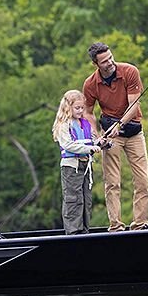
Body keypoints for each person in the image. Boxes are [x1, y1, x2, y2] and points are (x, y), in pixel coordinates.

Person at [83, 42, 148, 231]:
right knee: (112, 182)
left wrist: (119, 124)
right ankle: (116, 225)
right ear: (96, 64)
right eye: (104, 61)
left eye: (111, 57)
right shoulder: (90, 84)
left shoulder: (129, 71)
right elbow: (88, 112)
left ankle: (140, 224)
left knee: (142, 180)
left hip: (133, 132)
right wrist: (97, 135)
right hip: (110, 136)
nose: (110, 63)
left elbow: (134, 104)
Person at [52, 89, 103, 235]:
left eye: (82, 108)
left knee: (86, 199)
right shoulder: (64, 125)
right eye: (77, 108)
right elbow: (68, 145)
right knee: (73, 199)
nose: (81, 111)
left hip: (85, 166)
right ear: (68, 108)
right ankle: (73, 232)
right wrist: (90, 148)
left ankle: (85, 230)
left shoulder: (85, 123)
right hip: (71, 167)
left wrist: (100, 143)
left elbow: (93, 140)